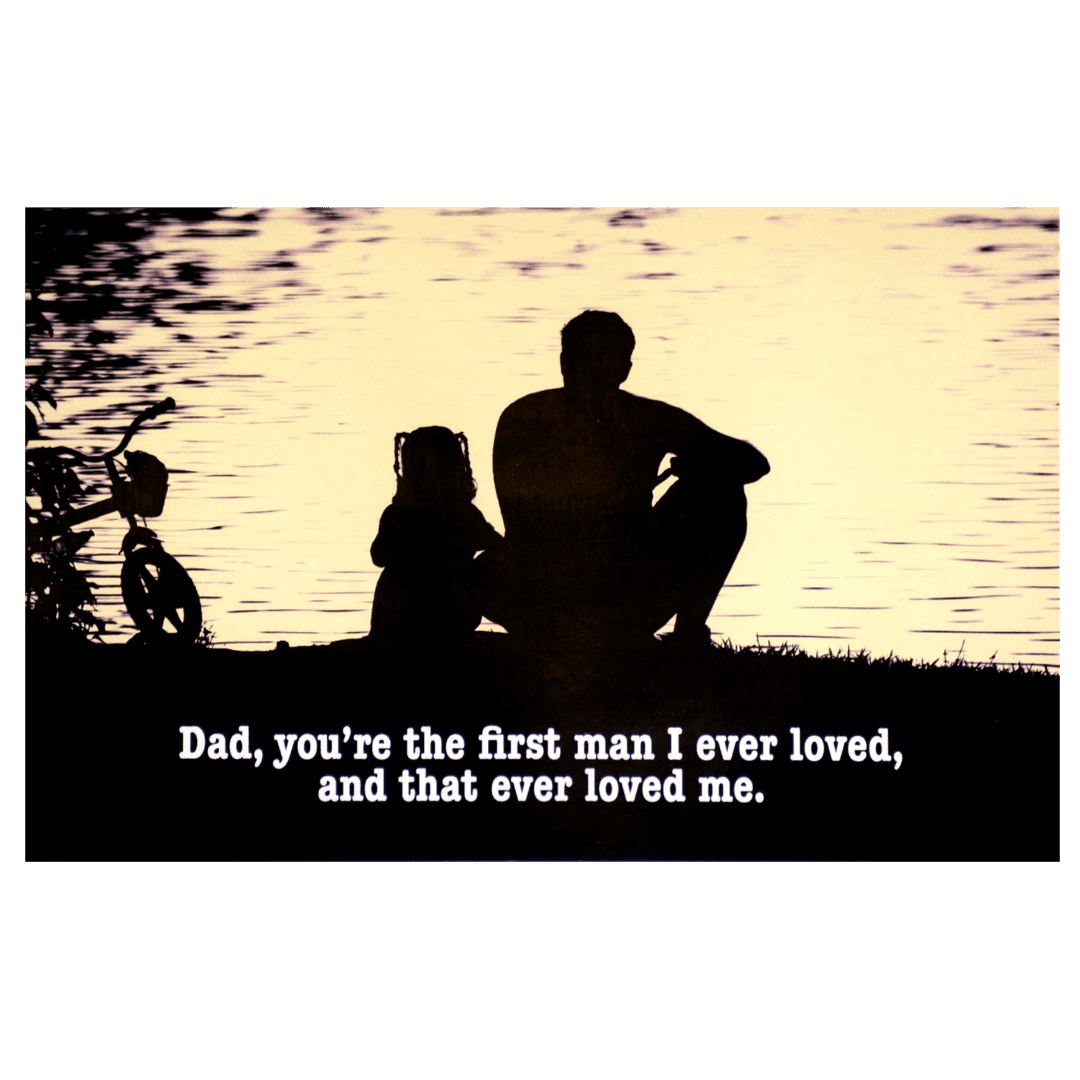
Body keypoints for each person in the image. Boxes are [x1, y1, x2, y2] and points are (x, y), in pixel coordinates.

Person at [482, 310, 769, 652]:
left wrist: (700, 468)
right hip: (587, 597)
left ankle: (684, 636)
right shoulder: (645, 419)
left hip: (558, 599)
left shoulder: (521, 415)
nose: (593, 374)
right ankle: (683, 635)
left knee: (722, 490)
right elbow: (752, 463)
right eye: (590, 360)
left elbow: (754, 463)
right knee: (724, 491)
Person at [369, 427, 502, 645]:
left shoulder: (398, 513)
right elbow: (497, 544)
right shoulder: (464, 513)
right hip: (451, 618)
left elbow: (378, 556)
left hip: (396, 619)